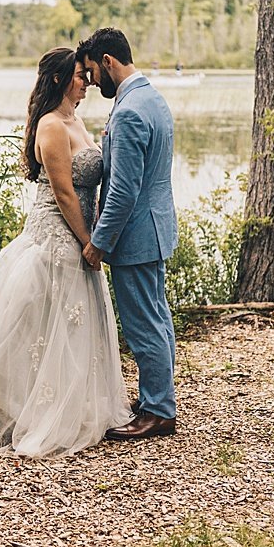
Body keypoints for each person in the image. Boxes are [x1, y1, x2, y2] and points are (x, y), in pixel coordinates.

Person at [0, 47, 133, 458]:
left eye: (85, 75)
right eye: (77, 75)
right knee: (45, 327)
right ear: (57, 80)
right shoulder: (52, 126)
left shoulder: (76, 120)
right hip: (57, 233)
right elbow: (65, 193)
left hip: (82, 235)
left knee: (71, 325)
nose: (86, 80)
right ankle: (38, 411)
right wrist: (90, 240)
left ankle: (78, 404)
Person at [78, 28, 179, 440]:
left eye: (91, 72)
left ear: (107, 61)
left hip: (136, 236)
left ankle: (158, 411)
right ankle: (158, 396)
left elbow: (122, 190)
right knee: (157, 315)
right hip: (156, 229)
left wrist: (99, 243)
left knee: (143, 324)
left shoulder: (129, 112)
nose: (90, 82)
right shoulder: (152, 98)